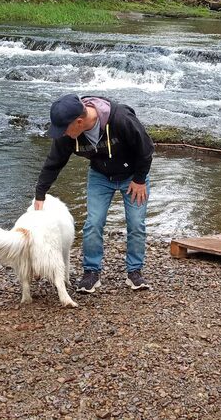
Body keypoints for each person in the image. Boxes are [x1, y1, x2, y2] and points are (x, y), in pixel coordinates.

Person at [34, 94, 155, 293]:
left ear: (79, 122)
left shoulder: (121, 119)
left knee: (136, 224)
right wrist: (40, 195)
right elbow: (53, 163)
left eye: (63, 129)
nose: (60, 134)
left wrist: (140, 179)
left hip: (133, 176)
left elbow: (146, 149)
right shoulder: (68, 135)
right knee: (93, 223)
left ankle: (135, 272)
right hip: (100, 176)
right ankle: (91, 272)